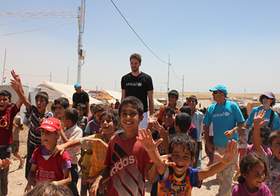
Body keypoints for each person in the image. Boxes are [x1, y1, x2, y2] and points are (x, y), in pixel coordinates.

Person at [138, 130, 238, 195]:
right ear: (170, 156)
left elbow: (208, 171)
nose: (180, 160)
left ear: (192, 159)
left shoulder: (191, 175)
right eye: (176, 155)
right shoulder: (166, 171)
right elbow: (159, 163)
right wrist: (151, 151)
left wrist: (224, 163)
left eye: (185, 156)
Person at [91, 96, 156, 196]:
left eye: (133, 114)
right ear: (120, 118)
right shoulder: (114, 141)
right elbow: (109, 166)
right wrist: (99, 179)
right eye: (124, 114)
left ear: (141, 118)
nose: (128, 117)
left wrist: (158, 162)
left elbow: (150, 177)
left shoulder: (144, 143)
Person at [52, 110, 119, 196]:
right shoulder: (96, 138)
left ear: (116, 125)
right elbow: (79, 141)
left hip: (109, 182)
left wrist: (100, 142)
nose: (105, 123)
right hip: (95, 180)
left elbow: (112, 164)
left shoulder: (118, 141)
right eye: (102, 121)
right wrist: (64, 145)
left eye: (108, 121)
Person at [203, 85, 245, 196]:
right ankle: (222, 192)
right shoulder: (211, 109)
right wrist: (207, 142)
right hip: (217, 146)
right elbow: (205, 126)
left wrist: (233, 131)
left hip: (231, 146)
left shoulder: (233, 106)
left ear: (222, 94)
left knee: (228, 174)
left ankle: (224, 194)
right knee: (220, 173)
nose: (213, 95)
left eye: (215, 93)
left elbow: (241, 123)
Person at [11, 70, 53, 181]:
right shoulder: (33, 110)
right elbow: (24, 99)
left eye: (42, 101)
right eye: (37, 100)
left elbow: (49, 130)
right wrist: (18, 85)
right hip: (31, 145)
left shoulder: (49, 116)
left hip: (42, 147)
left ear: (47, 103)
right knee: (29, 170)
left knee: (40, 171)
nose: (39, 103)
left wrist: (43, 125)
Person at [25, 118, 71, 192]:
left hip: (56, 192)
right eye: (42, 131)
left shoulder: (62, 155)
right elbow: (32, 171)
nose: (44, 135)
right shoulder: (37, 152)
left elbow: (68, 179)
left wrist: (53, 184)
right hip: (41, 192)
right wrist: (30, 181)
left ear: (57, 135)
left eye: (48, 132)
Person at [121, 53, 154, 130]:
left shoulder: (147, 78)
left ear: (140, 64)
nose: (134, 65)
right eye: (132, 63)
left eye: (136, 63)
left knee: (141, 138)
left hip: (143, 114)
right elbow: (123, 97)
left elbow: (151, 99)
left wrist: (152, 116)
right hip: (128, 113)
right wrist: (121, 114)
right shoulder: (125, 78)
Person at [252, 110, 280, 196]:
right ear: (270, 146)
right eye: (278, 143)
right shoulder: (268, 161)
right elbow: (257, 146)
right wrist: (256, 129)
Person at [0, 87, 22, 196]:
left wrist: (19, 86)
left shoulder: (11, 111)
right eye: (0, 99)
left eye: (4, 99)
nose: (1, 101)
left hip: (5, 150)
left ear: (9, 101)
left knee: (3, 177)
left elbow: (22, 99)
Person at [59, 108, 82, 196]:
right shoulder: (66, 129)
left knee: (71, 190)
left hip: (71, 164)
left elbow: (69, 144)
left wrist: (60, 131)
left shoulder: (77, 131)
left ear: (69, 121)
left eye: (63, 117)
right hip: (62, 163)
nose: (61, 119)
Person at [187, 95, 204, 169]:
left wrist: (200, 136)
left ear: (196, 103)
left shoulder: (200, 115)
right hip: (188, 138)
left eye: (193, 101)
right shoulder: (186, 114)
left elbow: (201, 126)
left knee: (197, 157)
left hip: (197, 139)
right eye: (190, 101)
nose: (191, 103)